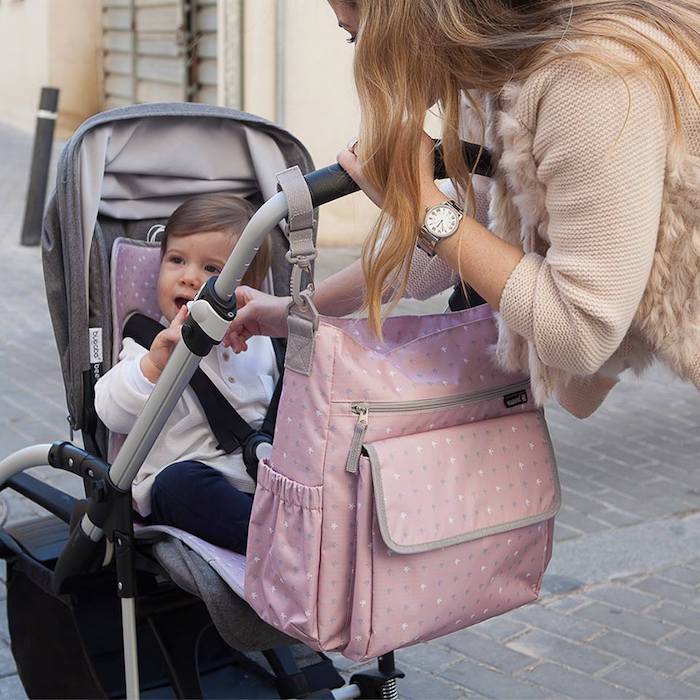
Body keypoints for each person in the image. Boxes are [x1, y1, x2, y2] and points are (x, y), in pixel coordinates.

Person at [225, 0, 700, 418]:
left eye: (355, 33)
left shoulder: (585, 77)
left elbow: (579, 332)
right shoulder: (488, 75)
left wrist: (420, 204)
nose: (360, 56)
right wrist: (295, 311)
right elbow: (466, 241)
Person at [95, 193, 276, 554]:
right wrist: (157, 365)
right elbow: (111, 412)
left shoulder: (262, 343)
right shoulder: (151, 343)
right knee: (178, 484)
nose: (190, 278)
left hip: (262, 480)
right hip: (188, 479)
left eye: (212, 270)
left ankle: (287, 531)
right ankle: (280, 546)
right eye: (176, 260)